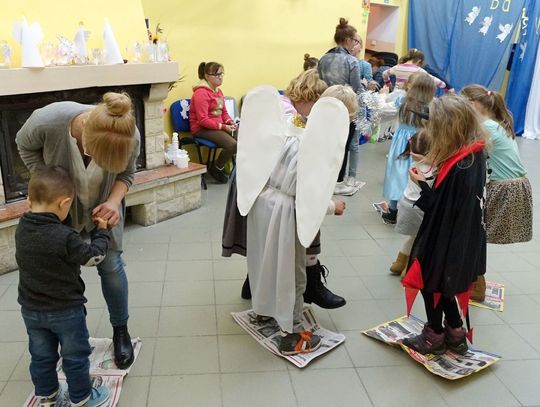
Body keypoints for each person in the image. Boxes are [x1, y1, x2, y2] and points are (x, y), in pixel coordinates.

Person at [16, 92, 139, 370]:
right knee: (63, 270)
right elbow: (23, 146)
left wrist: (113, 202)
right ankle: (70, 332)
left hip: (104, 210)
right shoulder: (47, 121)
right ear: (83, 129)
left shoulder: (129, 134)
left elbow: (126, 174)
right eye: (96, 156)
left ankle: (120, 329)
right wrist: (50, 185)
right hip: (59, 210)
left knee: (111, 265)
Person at [238, 83, 357, 355]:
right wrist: (333, 206)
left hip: (262, 201)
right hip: (286, 210)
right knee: (292, 274)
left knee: (265, 263)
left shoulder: (291, 125)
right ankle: (291, 333)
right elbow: (308, 195)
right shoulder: (319, 144)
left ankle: (264, 311)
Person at [222, 69, 347, 309]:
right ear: (310, 97)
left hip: (257, 180)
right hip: (264, 183)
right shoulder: (291, 119)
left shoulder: (283, 107)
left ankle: (255, 282)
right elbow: (299, 181)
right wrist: (329, 205)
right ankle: (300, 286)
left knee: (263, 236)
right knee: (279, 235)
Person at [16, 166, 111, 407]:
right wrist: (102, 231)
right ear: (64, 203)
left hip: (31, 309)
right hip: (66, 310)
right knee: (75, 356)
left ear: (29, 201)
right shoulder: (64, 236)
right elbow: (93, 257)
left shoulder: (21, 228)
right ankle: (81, 397)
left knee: (41, 356)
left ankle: (47, 396)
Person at [401, 95, 488, 355]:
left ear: (448, 128)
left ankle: (434, 336)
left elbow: (439, 209)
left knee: (432, 284)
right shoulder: (474, 153)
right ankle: (456, 333)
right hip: (463, 237)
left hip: (447, 239)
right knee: (446, 286)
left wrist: (421, 184)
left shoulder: (460, 165)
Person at [462, 84, 532, 301]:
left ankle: (476, 283)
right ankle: (474, 280)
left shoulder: (487, 128)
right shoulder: (496, 124)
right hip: (513, 185)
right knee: (475, 233)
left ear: (474, 104)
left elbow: (463, 149)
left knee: (474, 233)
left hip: (504, 188)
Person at [382, 72, 436, 224]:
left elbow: (386, 109)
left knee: (397, 174)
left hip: (401, 143)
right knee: (419, 173)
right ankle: (416, 208)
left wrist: (381, 96)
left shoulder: (403, 101)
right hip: (422, 143)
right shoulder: (433, 106)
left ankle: (393, 210)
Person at [318, 17, 362, 196]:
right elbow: (357, 89)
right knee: (342, 146)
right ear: (348, 40)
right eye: (355, 41)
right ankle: (337, 181)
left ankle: (322, 177)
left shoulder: (323, 59)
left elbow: (319, 83)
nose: (355, 44)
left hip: (325, 106)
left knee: (324, 144)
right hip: (346, 109)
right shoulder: (351, 61)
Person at [390, 130, 433, 276]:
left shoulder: (414, 164)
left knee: (413, 237)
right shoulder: (433, 169)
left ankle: (399, 262)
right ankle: (408, 270)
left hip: (405, 204)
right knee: (421, 240)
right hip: (420, 208)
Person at [190, 61, 237, 183]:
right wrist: (223, 127)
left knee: (243, 137)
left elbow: (224, 112)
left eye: (221, 74)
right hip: (202, 129)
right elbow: (203, 120)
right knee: (232, 144)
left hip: (216, 126)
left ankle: (237, 168)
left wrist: (230, 122)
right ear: (207, 76)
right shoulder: (201, 93)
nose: (220, 77)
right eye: (216, 75)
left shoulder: (218, 91)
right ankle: (217, 168)